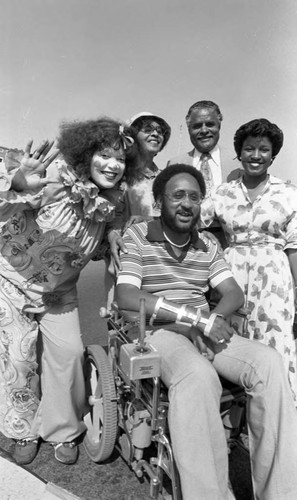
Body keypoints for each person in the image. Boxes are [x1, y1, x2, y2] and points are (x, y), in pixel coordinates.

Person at [115, 163, 297, 500]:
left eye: (195, 197)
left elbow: (232, 293)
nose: (187, 204)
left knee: (269, 364)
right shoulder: (138, 236)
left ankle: (281, 493)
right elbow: (126, 296)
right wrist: (193, 321)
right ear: (159, 201)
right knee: (198, 377)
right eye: (178, 196)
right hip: (158, 331)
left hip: (205, 327)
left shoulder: (207, 244)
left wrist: (210, 320)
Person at [0, 117, 134, 465]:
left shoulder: (116, 201)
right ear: (86, 155)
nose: (113, 165)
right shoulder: (56, 179)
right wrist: (16, 183)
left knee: (71, 354)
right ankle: (22, 429)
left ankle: (63, 430)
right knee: (19, 358)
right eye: (104, 155)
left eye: (120, 160)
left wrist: (114, 233)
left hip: (59, 294)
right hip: (12, 283)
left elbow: (118, 222)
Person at [202, 118, 297, 404]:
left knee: (275, 347)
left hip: (274, 281)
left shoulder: (289, 194)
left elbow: (294, 248)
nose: (256, 156)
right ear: (239, 153)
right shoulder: (223, 192)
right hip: (231, 276)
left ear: (273, 154)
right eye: (249, 149)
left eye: (264, 150)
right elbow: (192, 219)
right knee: (232, 346)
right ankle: (235, 423)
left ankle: (279, 417)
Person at [167, 100, 232, 245]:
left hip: (229, 244)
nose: (204, 130)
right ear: (189, 129)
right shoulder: (175, 164)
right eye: (197, 126)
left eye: (210, 124)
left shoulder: (238, 163)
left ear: (219, 125)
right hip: (187, 241)